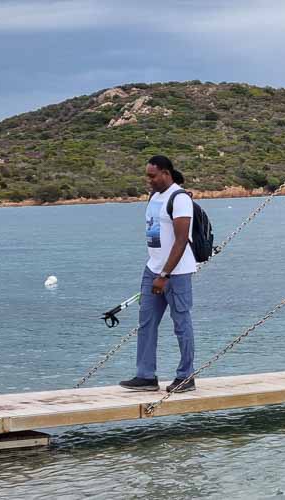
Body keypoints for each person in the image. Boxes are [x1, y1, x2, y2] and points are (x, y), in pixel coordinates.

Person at [119, 155, 197, 392]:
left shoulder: (180, 198)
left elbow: (182, 240)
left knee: (181, 323)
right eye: (147, 176)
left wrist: (165, 274)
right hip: (152, 268)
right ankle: (145, 376)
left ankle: (186, 376)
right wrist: (156, 271)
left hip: (176, 273)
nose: (149, 180)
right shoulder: (155, 196)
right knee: (146, 323)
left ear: (166, 173)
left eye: (152, 176)